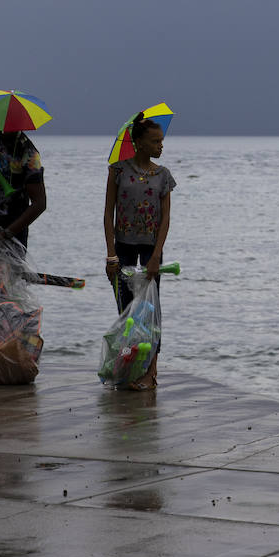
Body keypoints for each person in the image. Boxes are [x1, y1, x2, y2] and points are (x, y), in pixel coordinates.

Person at [103, 112, 175, 389]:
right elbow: (108, 215)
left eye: (161, 141)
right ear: (139, 143)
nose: (160, 146)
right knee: (126, 312)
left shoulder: (163, 175)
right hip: (122, 248)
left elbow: (165, 219)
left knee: (151, 312)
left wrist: (156, 256)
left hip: (149, 251)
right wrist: (111, 256)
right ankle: (127, 367)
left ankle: (150, 372)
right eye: (155, 141)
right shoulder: (117, 171)